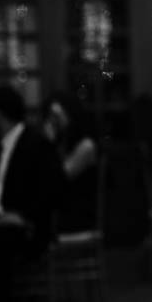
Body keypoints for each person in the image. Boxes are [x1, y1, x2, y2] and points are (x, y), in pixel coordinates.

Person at [0, 85, 64, 302]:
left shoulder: (35, 144)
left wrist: (22, 215)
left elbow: (53, 191)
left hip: (30, 226)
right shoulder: (2, 146)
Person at [41, 91, 99, 233]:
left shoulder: (86, 145)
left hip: (77, 213)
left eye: (57, 116)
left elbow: (60, 178)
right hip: (61, 208)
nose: (53, 122)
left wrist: (49, 144)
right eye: (50, 116)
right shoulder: (61, 142)